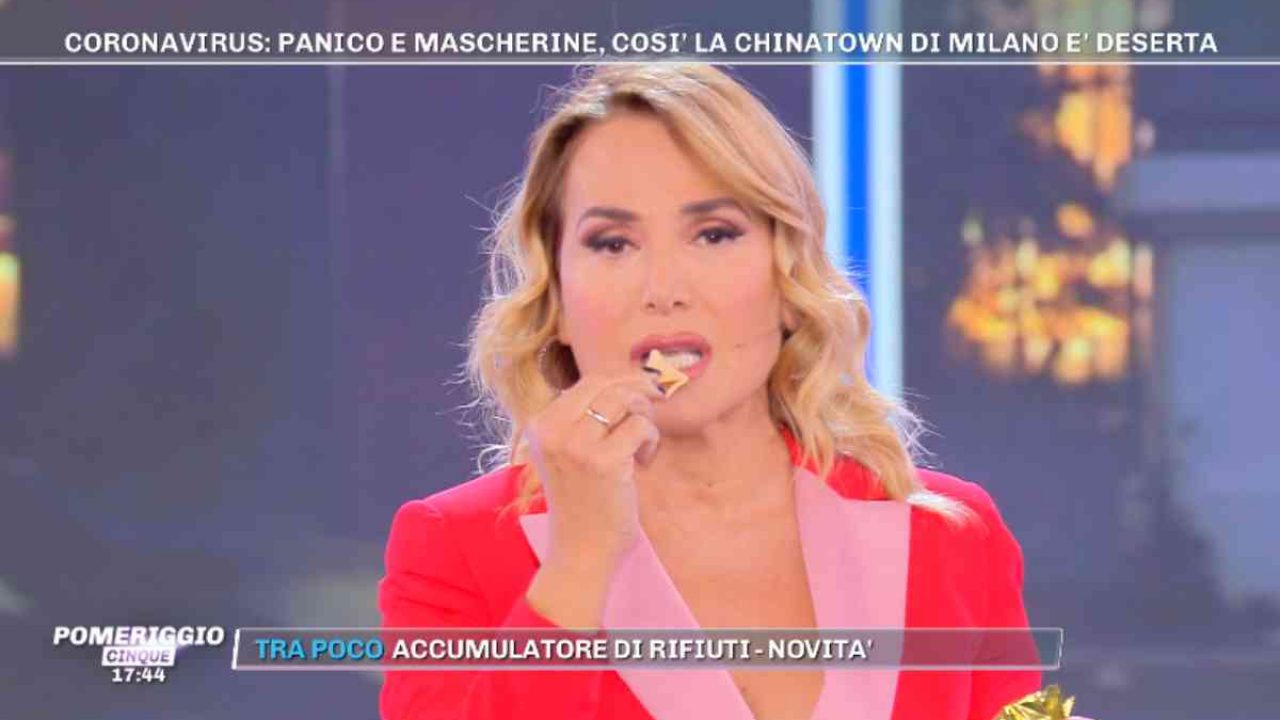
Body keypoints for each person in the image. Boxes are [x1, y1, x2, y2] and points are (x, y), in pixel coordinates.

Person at [379, 63, 1052, 720]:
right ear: (556, 299)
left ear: (787, 280)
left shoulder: (951, 533)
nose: (663, 288)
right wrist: (578, 562)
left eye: (714, 234)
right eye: (612, 244)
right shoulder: (453, 548)